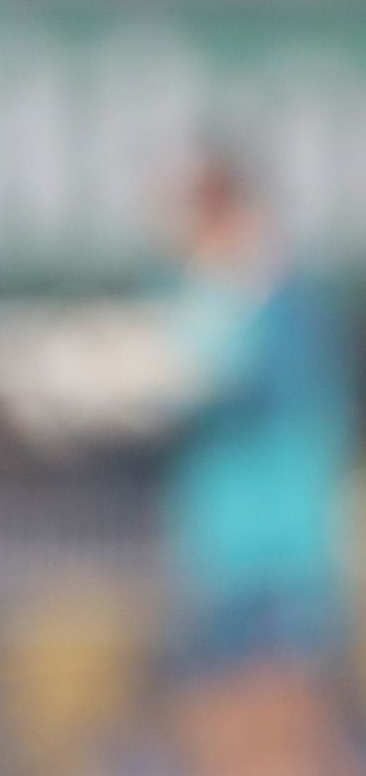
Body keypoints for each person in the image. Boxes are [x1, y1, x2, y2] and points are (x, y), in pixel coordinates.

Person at [154, 145, 361, 776]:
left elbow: (239, 378)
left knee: (284, 715)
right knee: (216, 716)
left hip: (284, 545)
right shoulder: (192, 298)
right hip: (218, 546)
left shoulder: (278, 296)